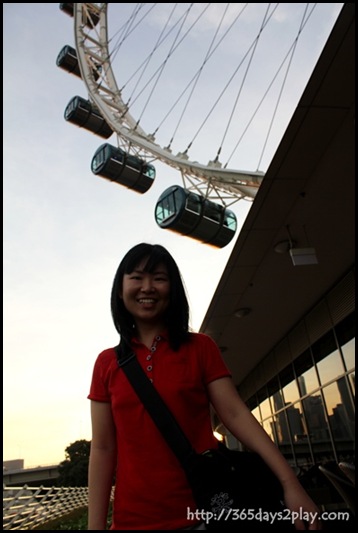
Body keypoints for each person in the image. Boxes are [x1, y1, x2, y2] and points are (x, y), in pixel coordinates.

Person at [87, 243, 321, 531]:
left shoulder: (200, 348)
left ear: (173, 290)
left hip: (206, 515)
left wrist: (290, 484)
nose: (147, 287)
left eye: (159, 278)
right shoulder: (105, 363)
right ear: (120, 290)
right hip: (131, 522)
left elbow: (235, 415)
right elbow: (102, 447)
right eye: (136, 277)